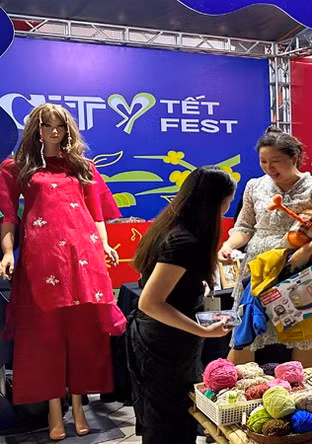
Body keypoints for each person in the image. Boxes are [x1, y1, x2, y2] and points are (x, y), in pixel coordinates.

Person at [0, 103, 125, 440]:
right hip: (42, 259)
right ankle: (56, 412)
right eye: (47, 126)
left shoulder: (81, 167)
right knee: (46, 335)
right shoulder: (18, 168)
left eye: (60, 126)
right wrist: (8, 252)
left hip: (84, 256)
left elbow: (96, 213)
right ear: (36, 130)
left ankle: (80, 407)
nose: (54, 132)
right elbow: (8, 215)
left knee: (84, 335)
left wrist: (105, 244)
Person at [219, 127, 312, 368]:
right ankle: (239, 392)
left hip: (299, 268)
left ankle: (305, 389)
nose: (269, 168)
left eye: (276, 161)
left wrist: (306, 251)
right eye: (263, 161)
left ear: (295, 158)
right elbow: (245, 226)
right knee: (246, 332)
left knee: (303, 335)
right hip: (259, 268)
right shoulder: (254, 186)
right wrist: (228, 245)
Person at [128, 167, 236, 443]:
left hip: (164, 337)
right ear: (217, 202)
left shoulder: (173, 226)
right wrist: (202, 331)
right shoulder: (183, 241)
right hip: (164, 341)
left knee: (169, 413)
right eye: (227, 202)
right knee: (169, 420)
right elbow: (151, 302)